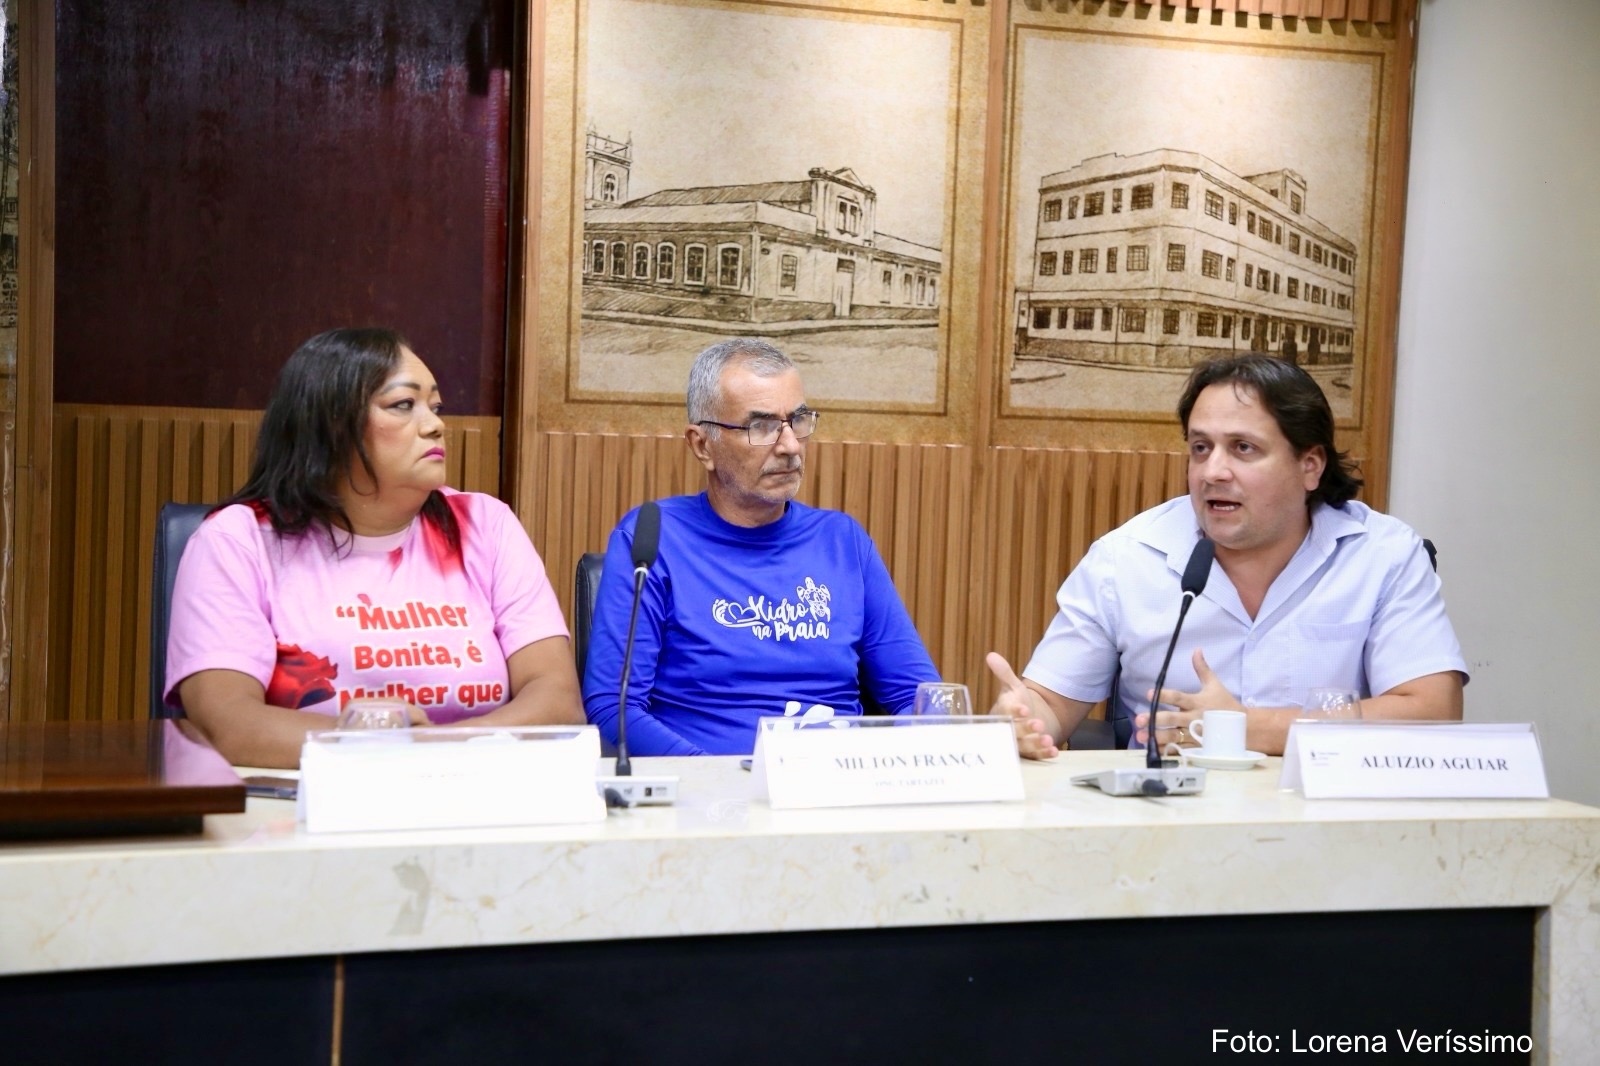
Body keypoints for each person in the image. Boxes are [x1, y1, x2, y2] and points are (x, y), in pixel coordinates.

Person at [987, 353, 1466, 758]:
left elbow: (1432, 712)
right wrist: (1022, 720)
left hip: (1326, 817)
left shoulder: (1383, 555)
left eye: (1243, 448)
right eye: (1201, 448)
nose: (1213, 471)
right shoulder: (1126, 558)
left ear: (1310, 465)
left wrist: (1248, 729)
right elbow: (1051, 703)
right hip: (1166, 821)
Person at [166, 328, 583, 767]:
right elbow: (229, 725)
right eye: (403, 404)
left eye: (435, 406)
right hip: (300, 795)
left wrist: (435, 749)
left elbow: (557, 699)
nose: (435, 424)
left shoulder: (485, 525)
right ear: (331, 422)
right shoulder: (239, 539)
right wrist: (377, 749)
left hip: (471, 785)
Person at [582, 338, 939, 755]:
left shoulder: (844, 542)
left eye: (797, 420)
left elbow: (919, 697)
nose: (790, 446)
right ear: (702, 445)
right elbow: (614, 707)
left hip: (833, 779)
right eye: (762, 427)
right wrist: (721, 779)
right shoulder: (652, 539)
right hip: (708, 786)